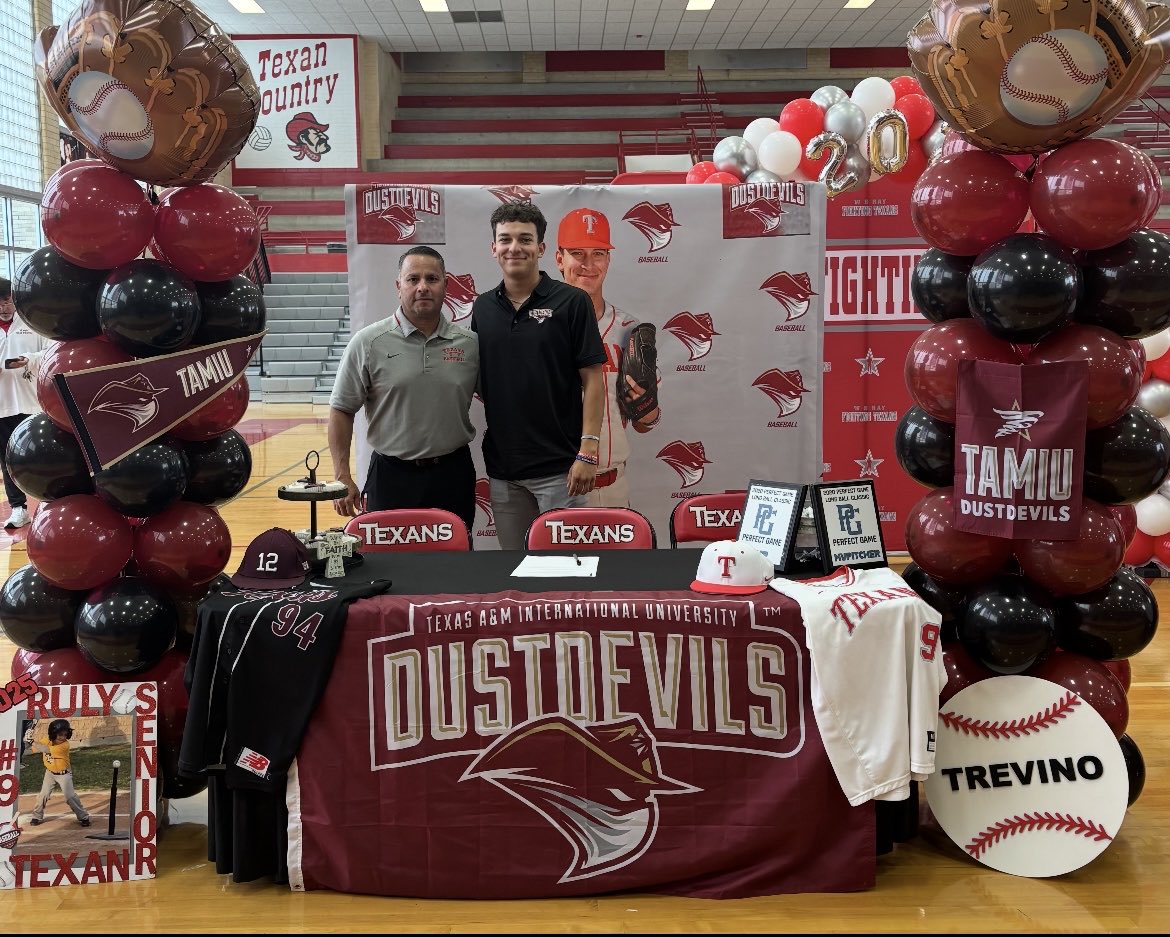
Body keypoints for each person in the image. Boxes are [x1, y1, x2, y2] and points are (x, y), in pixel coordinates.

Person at [471, 202, 607, 550]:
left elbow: (593, 379)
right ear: (493, 248)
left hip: (562, 472)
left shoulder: (573, 302)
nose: (514, 247)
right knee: (515, 572)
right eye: (505, 239)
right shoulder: (482, 308)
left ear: (542, 248)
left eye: (525, 239)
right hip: (504, 472)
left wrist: (588, 451)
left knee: (567, 575)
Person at [328, 246, 480, 533]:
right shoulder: (369, 342)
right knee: (389, 569)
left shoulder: (470, 344)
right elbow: (341, 409)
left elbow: (502, 399)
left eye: (432, 279)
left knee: (456, 565)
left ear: (446, 286)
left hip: (452, 475)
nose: (422, 287)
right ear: (399, 287)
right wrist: (342, 475)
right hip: (390, 476)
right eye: (413, 279)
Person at [554, 207, 661, 508]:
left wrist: (645, 406)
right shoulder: (539, 328)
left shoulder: (629, 330)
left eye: (598, 253)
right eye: (578, 253)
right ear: (559, 259)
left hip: (613, 487)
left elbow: (645, 424)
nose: (589, 264)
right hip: (555, 485)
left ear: (609, 260)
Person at [0, 276, 47, 530]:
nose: (3, 307)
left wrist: (28, 358)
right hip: (2, 407)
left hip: (32, 404)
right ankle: (18, 509)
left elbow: (49, 352)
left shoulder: (32, 323)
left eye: (7, 300)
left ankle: (47, 506)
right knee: (8, 461)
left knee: (40, 458)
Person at [28, 718, 91, 827]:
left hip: (64, 775)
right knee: (43, 795)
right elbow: (33, 748)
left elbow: (45, 749)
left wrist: (32, 741)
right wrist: (27, 740)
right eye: (60, 734)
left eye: (65, 734)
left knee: (70, 797)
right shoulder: (46, 740)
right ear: (53, 734)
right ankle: (36, 816)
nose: (63, 737)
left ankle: (83, 817)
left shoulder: (64, 745)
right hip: (50, 773)